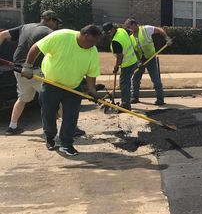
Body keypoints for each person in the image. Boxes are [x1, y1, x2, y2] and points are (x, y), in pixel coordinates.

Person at [21, 25, 102, 156]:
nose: (94, 45)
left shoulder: (93, 51)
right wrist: (28, 65)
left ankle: (66, 144)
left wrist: (92, 90)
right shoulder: (61, 36)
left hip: (73, 87)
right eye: (93, 41)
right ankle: (50, 138)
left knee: (71, 116)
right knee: (48, 113)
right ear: (85, 36)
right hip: (51, 84)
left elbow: (91, 73)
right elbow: (37, 47)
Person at [0, 10, 62, 134]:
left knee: (23, 98)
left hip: (19, 69)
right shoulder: (49, 33)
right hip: (35, 70)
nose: (56, 25)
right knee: (57, 98)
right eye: (55, 22)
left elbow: (1, 35)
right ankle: (70, 127)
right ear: (50, 20)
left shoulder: (26, 26)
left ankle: (12, 127)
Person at [123, 18, 171, 106]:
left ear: (134, 24)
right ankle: (134, 97)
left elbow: (160, 30)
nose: (129, 29)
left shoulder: (146, 29)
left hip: (150, 58)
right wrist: (138, 62)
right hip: (140, 60)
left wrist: (167, 38)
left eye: (129, 27)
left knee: (155, 79)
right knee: (135, 79)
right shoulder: (131, 38)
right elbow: (135, 51)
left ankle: (160, 99)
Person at [102, 22, 138, 111]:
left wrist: (116, 67)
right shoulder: (121, 30)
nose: (107, 34)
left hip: (127, 64)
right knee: (126, 83)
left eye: (108, 32)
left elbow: (120, 56)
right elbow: (129, 32)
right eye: (106, 33)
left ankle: (126, 105)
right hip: (133, 61)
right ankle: (126, 102)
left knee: (124, 85)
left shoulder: (116, 41)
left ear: (113, 29)